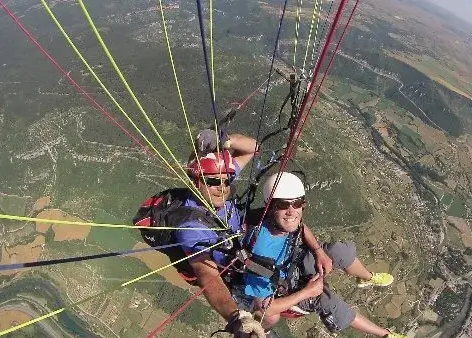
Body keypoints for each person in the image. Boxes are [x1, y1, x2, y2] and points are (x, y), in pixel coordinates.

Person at [239, 172, 404, 337]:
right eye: (283, 205)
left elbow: (300, 227)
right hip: (283, 288)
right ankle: (385, 334)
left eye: (297, 203)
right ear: (270, 207)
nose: (292, 211)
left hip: (293, 264)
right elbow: (265, 308)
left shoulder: (280, 220)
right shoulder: (261, 253)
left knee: (340, 251)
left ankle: (366, 277)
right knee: (327, 301)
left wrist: (319, 252)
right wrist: (308, 292)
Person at [171, 129, 265, 338]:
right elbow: (208, 276)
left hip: (239, 244)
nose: (222, 188)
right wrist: (236, 317)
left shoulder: (217, 174)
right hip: (230, 271)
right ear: (196, 181)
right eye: (213, 182)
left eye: (227, 181)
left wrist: (227, 141)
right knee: (268, 311)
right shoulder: (191, 227)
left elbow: (254, 148)